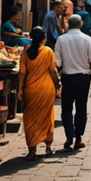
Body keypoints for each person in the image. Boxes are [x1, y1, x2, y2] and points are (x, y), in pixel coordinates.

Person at [54, 14, 91, 151]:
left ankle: (69, 134)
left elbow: (58, 62)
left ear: (69, 25)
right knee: (81, 108)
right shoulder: (87, 39)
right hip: (83, 78)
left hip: (68, 78)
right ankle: (79, 137)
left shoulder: (61, 40)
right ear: (80, 24)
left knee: (66, 108)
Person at [17, 27, 59, 159]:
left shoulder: (25, 52)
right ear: (44, 38)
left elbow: (22, 72)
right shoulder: (48, 51)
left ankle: (32, 150)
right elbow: (53, 71)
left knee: (29, 119)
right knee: (47, 116)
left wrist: (19, 89)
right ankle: (48, 146)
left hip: (30, 89)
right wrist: (58, 85)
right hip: (47, 89)